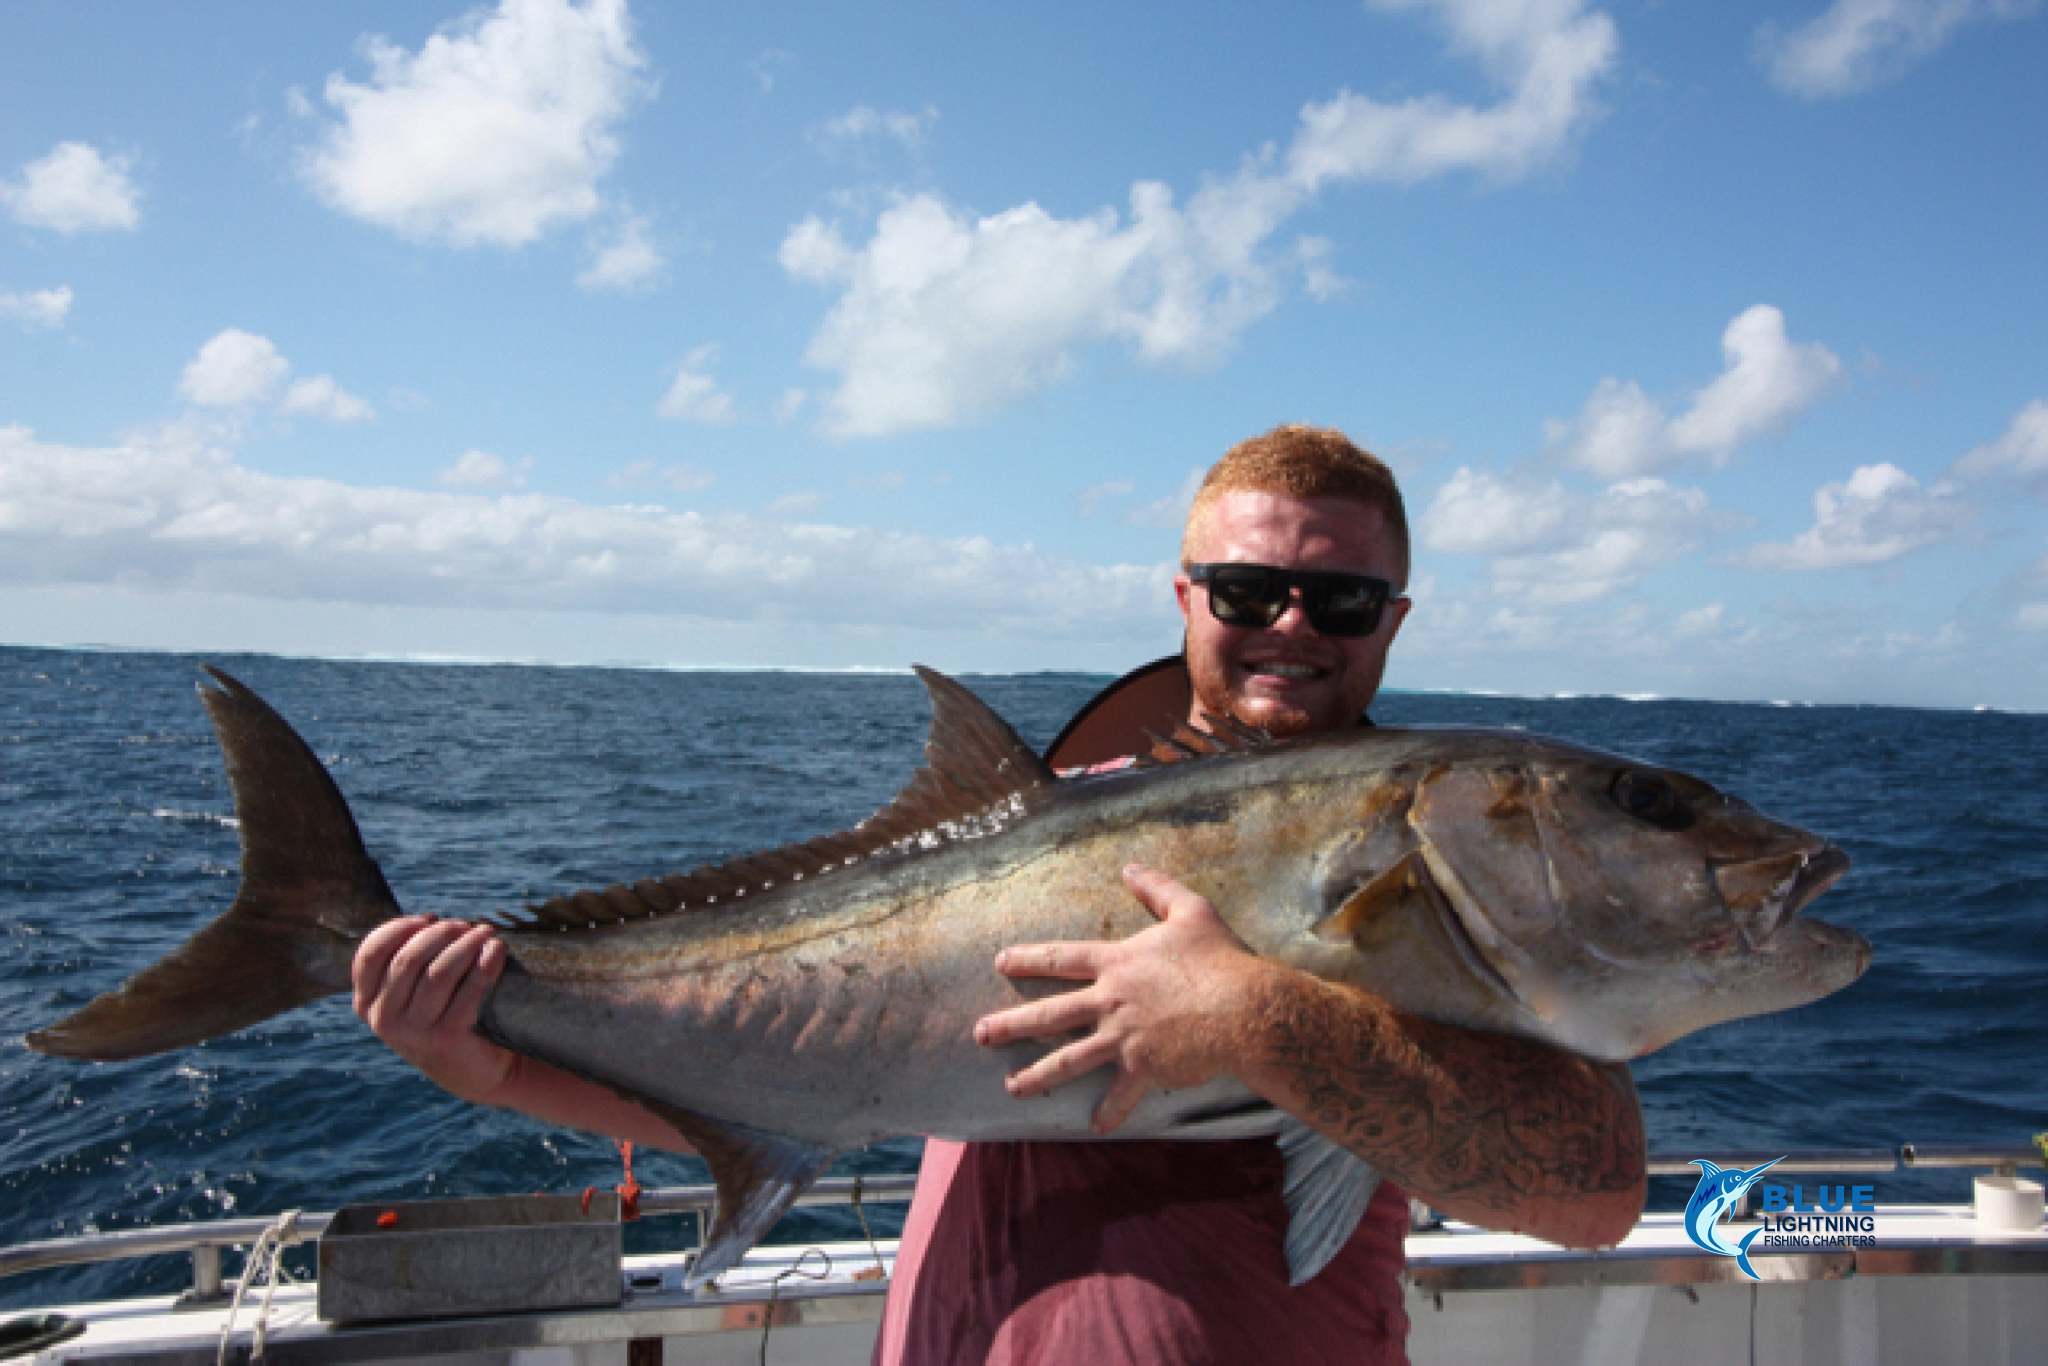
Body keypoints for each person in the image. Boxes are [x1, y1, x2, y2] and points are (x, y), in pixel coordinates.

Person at [352, 424, 1646, 1365]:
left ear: (1394, 619)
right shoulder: (1044, 816)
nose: (1294, 623)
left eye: (1343, 597)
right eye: (1251, 589)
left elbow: (1592, 1193)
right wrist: (479, 1060)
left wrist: (1252, 1013)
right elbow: (826, 1078)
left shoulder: (1464, 875)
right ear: (1187, 598)